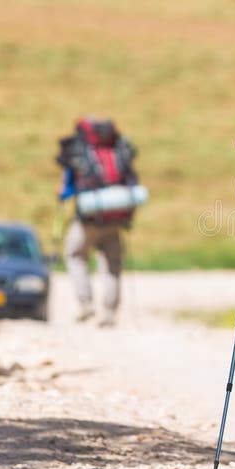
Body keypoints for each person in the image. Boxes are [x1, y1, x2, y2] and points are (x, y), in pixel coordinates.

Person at [57, 117, 139, 327]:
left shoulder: (80, 153)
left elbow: (68, 187)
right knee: (112, 265)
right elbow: (131, 178)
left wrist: (64, 195)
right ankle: (110, 313)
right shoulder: (117, 150)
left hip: (88, 219)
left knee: (74, 254)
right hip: (115, 218)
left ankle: (86, 304)